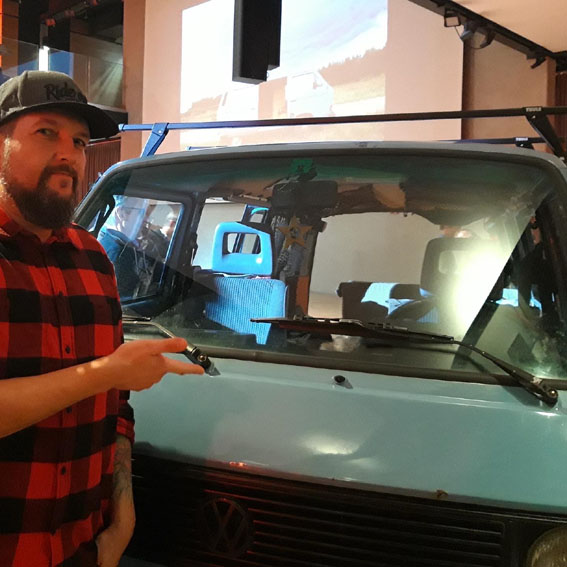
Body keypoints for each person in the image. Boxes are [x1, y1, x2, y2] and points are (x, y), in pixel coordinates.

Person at [0, 70, 204, 567]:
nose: (68, 154)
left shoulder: (93, 259)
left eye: (79, 141)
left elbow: (116, 404)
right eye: (46, 132)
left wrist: (123, 513)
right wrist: (107, 372)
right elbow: (109, 378)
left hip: (83, 546)